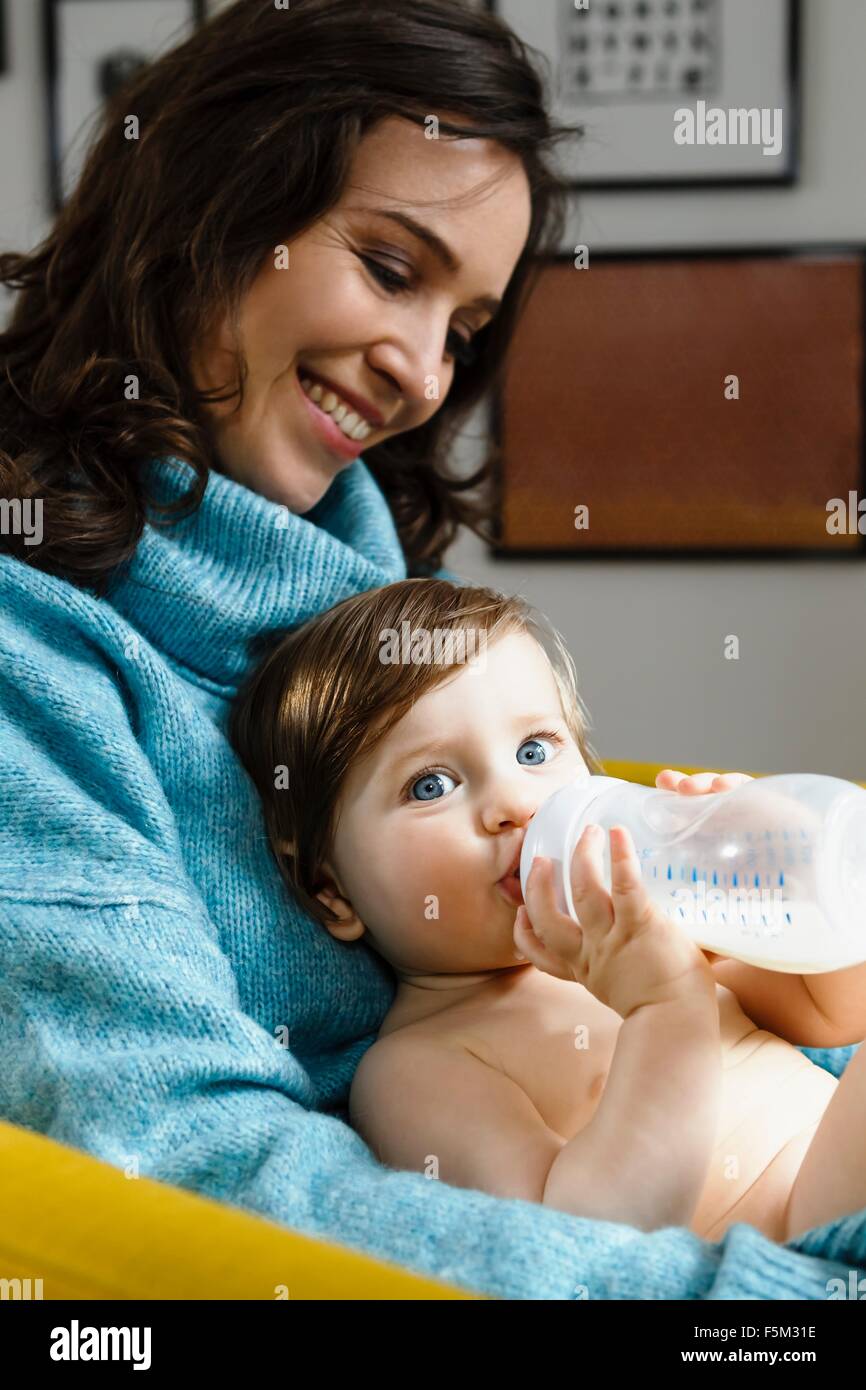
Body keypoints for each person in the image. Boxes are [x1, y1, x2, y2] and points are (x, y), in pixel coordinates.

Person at [0, 0, 856, 1299]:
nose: (417, 373)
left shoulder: (379, 586)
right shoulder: (37, 647)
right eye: (392, 266)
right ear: (209, 207)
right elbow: (185, 1155)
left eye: (462, 328)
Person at [231, 576, 866, 1247]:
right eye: (431, 784)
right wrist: (666, 1011)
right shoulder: (420, 1068)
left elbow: (829, 1009)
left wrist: (767, 844)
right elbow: (576, 1243)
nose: (515, 800)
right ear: (333, 891)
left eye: (534, 750)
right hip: (803, 1249)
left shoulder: (657, 916)